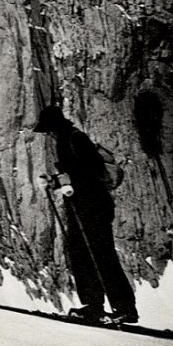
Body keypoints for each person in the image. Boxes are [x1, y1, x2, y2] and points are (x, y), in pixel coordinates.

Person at [34, 104, 138, 324]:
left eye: (49, 130)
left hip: (94, 207)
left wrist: (69, 182)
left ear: (55, 127)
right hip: (80, 207)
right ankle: (94, 304)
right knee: (81, 255)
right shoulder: (65, 140)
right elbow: (72, 174)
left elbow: (94, 170)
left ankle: (124, 308)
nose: (49, 135)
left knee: (101, 254)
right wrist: (55, 182)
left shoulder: (75, 138)